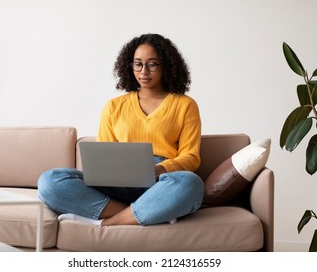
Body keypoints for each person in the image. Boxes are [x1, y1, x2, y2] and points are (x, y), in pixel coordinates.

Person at [37, 33, 204, 226]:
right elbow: (105, 154)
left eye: (152, 64)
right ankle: (149, 211)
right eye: (137, 64)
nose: (143, 71)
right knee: (50, 181)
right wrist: (116, 172)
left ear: (166, 65)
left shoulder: (185, 105)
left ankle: (108, 221)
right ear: (129, 65)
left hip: (161, 182)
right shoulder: (114, 106)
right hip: (117, 183)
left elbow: (191, 157)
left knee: (191, 183)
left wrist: (156, 169)